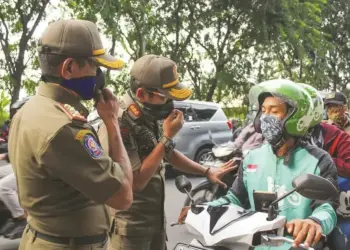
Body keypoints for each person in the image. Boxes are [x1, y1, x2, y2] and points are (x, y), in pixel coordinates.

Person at [8, 19, 134, 250]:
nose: (99, 76)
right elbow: (123, 196)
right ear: (68, 68)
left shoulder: (29, 111)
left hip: (43, 236)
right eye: (94, 67)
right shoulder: (64, 128)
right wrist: (112, 122)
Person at [178, 79, 339, 250]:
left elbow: (327, 207)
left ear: (295, 116)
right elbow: (235, 199)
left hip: (296, 245)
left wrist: (313, 222)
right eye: (263, 111)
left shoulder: (319, 160)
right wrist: (204, 208)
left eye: (274, 111)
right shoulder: (252, 158)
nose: (265, 117)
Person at [97, 54, 234, 250]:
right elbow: (134, 182)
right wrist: (166, 138)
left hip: (155, 221)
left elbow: (168, 153)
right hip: (131, 229)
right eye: (165, 97)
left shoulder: (148, 113)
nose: (170, 102)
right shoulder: (119, 123)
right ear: (142, 93)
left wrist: (206, 171)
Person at [299, 84, 350, 249]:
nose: (333, 111)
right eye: (329, 107)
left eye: (336, 107)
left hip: (342, 194)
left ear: (344, 108)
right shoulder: (318, 129)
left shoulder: (338, 135)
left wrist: (322, 159)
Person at [0, 97, 30, 239]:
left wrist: (5, 157)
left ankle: (20, 217)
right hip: (20, 164)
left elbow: (25, 152)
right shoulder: (20, 127)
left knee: (4, 186)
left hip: (30, 168)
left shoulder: (32, 128)